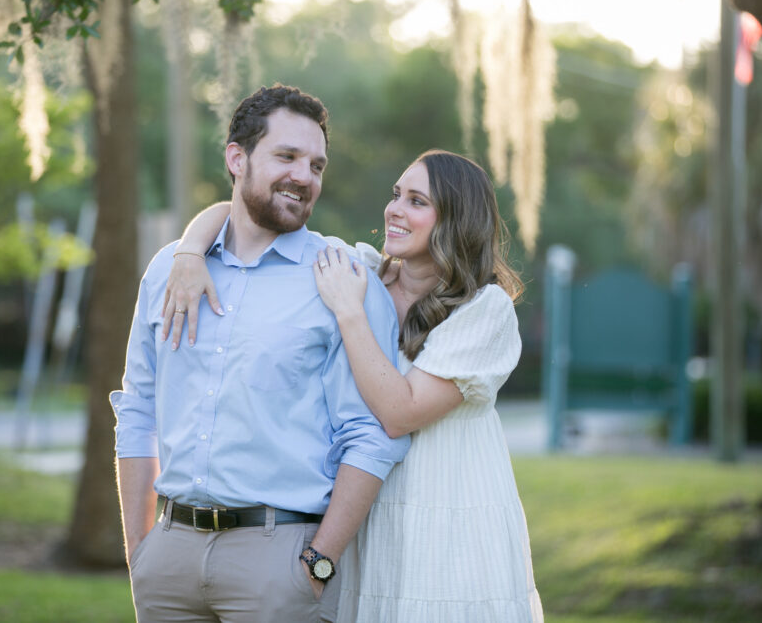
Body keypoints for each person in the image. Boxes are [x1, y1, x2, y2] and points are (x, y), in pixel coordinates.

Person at [164, 150, 544, 622]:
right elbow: (241, 212)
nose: (395, 209)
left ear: (456, 220)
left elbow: (400, 412)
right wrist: (188, 251)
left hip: (448, 517)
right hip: (362, 515)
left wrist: (349, 311)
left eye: (417, 201)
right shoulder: (358, 268)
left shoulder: (485, 310)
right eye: (396, 194)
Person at [112, 84, 410, 623]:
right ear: (237, 158)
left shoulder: (343, 279)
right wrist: (140, 552)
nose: (304, 176)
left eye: (316, 165)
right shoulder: (170, 270)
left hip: (280, 564)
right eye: (287, 156)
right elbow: (137, 409)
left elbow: (371, 434)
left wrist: (319, 564)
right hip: (168, 561)